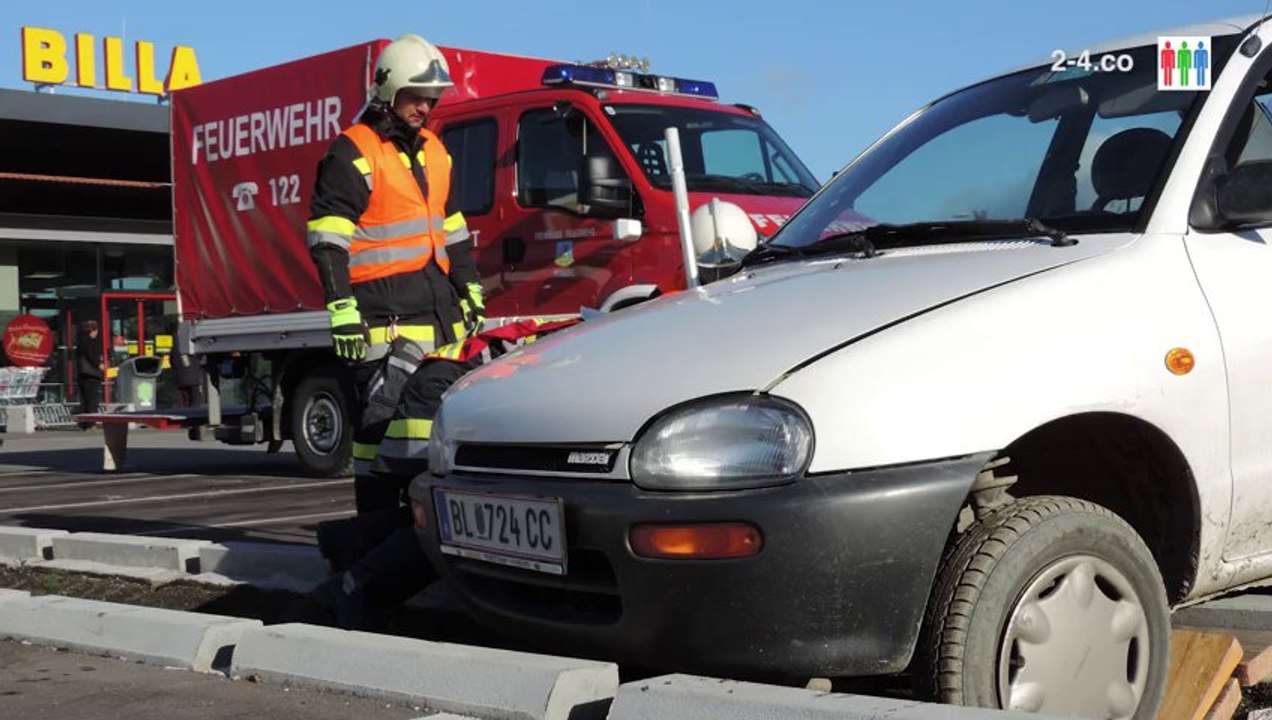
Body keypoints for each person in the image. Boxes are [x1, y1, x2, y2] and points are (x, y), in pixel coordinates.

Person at [306, 33, 484, 515]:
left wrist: (469, 288)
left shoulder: (435, 152)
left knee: (434, 437)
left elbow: (453, 229)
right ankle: (376, 539)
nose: (425, 108)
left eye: (431, 99)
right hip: (382, 322)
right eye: (416, 97)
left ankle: (423, 538)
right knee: (378, 437)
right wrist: (341, 307)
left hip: (438, 317)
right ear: (387, 90)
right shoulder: (353, 152)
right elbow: (328, 237)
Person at [75, 320, 104, 429]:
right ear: (94, 330)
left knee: (84, 399)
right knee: (92, 400)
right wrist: (99, 364)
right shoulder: (91, 342)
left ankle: (84, 423)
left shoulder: (80, 341)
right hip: (91, 375)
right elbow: (92, 356)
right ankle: (91, 423)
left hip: (82, 374)